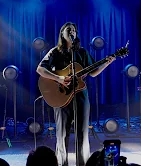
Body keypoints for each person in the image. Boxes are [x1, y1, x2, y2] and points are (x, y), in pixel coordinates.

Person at [36, 22, 115, 166]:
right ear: (62, 33)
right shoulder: (54, 52)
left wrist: (106, 63)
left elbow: (93, 73)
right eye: (68, 30)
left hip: (80, 97)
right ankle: (62, 164)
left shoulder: (82, 52)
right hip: (60, 97)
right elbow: (40, 69)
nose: (72, 32)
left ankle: (83, 164)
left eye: (74, 30)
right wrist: (59, 78)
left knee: (82, 134)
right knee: (62, 134)